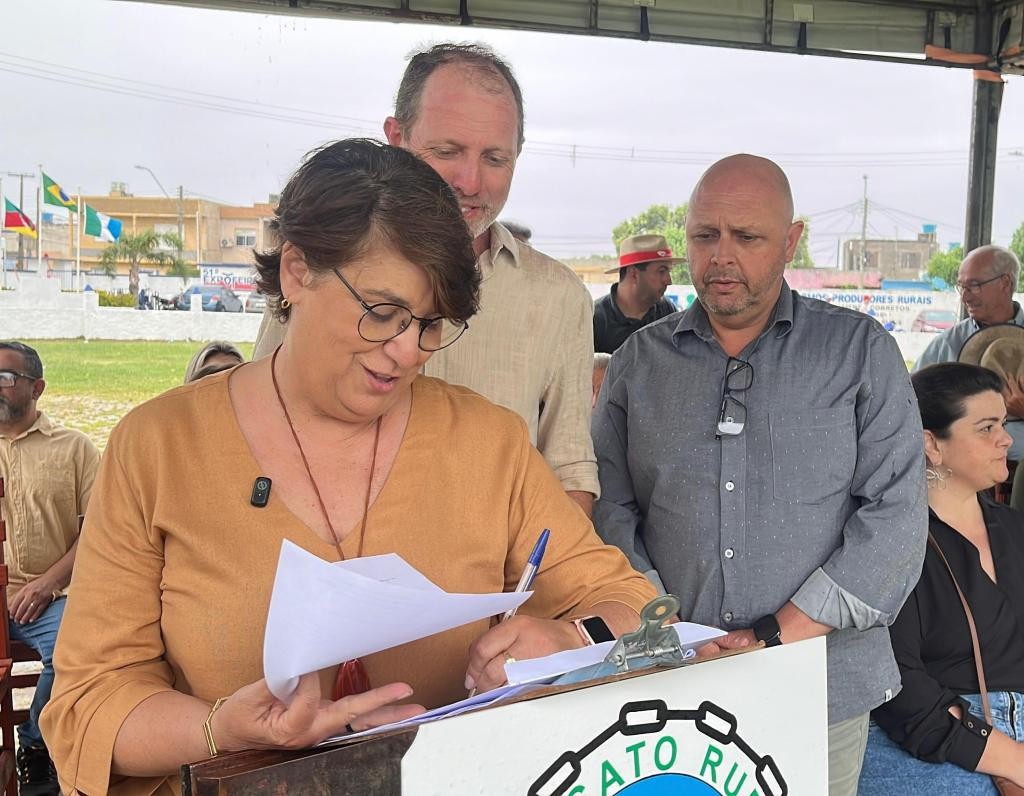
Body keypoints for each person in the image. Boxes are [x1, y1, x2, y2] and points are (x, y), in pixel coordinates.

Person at [41, 139, 655, 796]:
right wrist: (221, 729)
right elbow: (88, 705)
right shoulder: (160, 447)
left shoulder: (487, 442)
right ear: (297, 272)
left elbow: (637, 610)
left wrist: (571, 637)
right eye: (382, 314)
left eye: (430, 324)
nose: (408, 353)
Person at [592, 154, 927, 796]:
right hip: (668, 682)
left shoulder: (858, 352)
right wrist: (664, 629)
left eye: (747, 237)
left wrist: (776, 635)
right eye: (704, 235)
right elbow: (611, 510)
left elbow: (897, 519)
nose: (722, 256)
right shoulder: (638, 362)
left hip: (820, 688)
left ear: (791, 241)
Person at [252, 43, 599, 517]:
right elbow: (262, 410)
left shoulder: (558, 297)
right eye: (447, 151)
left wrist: (551, 561)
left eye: (495, 158)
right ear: (396, 138)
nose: (470, 181)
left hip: (485, 564)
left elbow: (570, 472)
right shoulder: (324, 260)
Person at [858, 362, 1024, 793]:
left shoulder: (1015, 530)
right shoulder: (891, 542)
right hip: (935, 740)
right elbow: (896, 681)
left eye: (1003, 424)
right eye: (986, 428)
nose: (1006, 439)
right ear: (931, 443)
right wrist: (1012, 760)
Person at [0, 341, 99, 796]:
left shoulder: (75, 449)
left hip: (50, 598)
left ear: (36, 387)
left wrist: (47, 583)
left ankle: (36, 746)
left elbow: (99, 531)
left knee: (77, 648)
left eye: (6, 378)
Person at [914, 246, 1024, 459]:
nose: (965, 297)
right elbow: (910, 401)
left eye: (974, 286)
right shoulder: (947, 344)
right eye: (961, 287)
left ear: (1005, 283)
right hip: (961, 468)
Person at [593, 233, 679, 353]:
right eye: (661, 271)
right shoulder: (596, 319)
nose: (669, 281)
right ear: (634, 274)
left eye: (668, 271)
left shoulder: (667, 311)